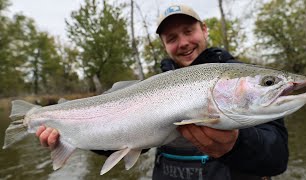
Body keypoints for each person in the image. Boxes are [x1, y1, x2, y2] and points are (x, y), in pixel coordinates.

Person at [36, 4, 288, 180]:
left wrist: (237, 143)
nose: (183, 42)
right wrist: (67, 134)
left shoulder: (242, 77)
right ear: (164, 45)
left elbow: (277, 158)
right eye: (172, 37)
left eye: (189, 31)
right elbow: (120, 134)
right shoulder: (151, 85)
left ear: (204, 29)